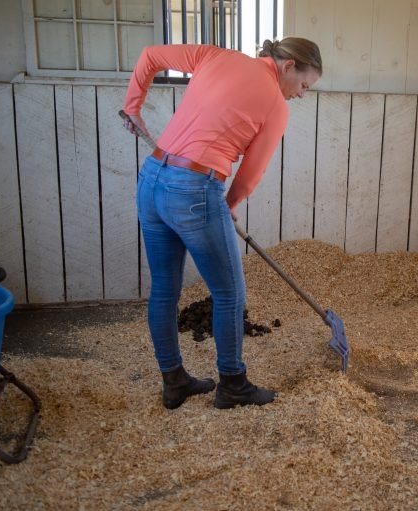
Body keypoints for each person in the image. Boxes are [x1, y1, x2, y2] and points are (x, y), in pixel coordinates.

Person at [121, 38, 322, 410]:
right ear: (289, 65)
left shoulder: (215, 56)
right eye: (304, 86)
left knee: (165, 290)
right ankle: (232, 384)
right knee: (229, 293)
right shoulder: (275, 105)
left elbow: (149, 55)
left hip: (152, 180)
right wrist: (227, 203)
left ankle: (174, 380)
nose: (300, 95)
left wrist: (133, 107)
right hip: (195, 187)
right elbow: (251, 174)